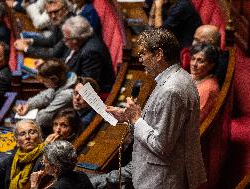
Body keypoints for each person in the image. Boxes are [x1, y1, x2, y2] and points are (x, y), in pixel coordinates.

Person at [106, 27, 206, 189]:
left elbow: (161, 146)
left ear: (159, 54)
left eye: (143, 54)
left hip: (162, 179)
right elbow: (161, 123)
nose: (140, 59)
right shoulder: (180, 76)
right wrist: (127, 117)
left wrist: (137, 120)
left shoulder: (171, 90)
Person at [15, 59, 76, 133]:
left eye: (45, 81)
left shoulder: (67, 94)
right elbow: (44, 96)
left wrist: (26, 120)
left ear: (54, 79)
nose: (43, 83)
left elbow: (44, 119)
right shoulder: (61, 81)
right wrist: (28, 105)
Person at [62, 16, 115, 93]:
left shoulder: (90, 52)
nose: (64, 41)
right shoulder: (79, 42)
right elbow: (66, 61)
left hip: (94, 94)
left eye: (66, 39)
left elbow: (86, 84)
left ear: (76, 40)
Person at [30, 140, 94, 189]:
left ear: (55, 168)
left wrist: (34, 186)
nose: (43, 165)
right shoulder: (82, 175)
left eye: (44, 162)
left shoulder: (57, 188)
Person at [190, 43, 220, 123]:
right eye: (193, 59)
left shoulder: (208, 88)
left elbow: (194, 121)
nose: (194, 64)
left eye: (200, 61)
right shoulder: (197, 77)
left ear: (211, 65)